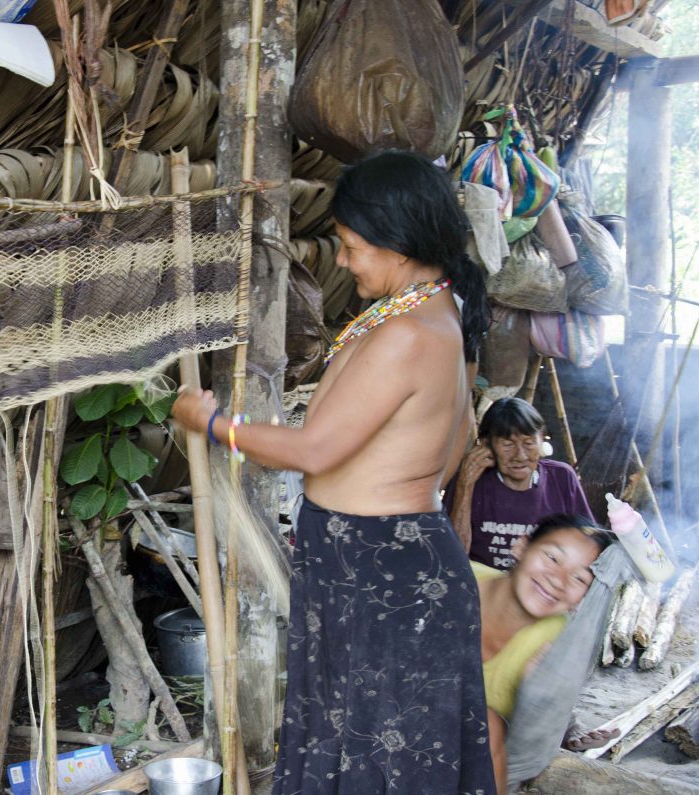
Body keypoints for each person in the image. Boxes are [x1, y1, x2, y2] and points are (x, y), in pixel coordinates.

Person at [173, 151, 496, 794]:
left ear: (398, 245)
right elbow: (451, 442)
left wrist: (210, 424)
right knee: (364, 749)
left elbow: (315, 452)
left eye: (350, 246)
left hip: (384, 570)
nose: (342, 261)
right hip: (373, 560)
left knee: (382, 757)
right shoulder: (430, 312)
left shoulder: (411, 333)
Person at [474, 514, 618, 792]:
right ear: (521, 547)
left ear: (583, 599)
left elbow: (524, 751)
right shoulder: (450, 583)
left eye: (579, 578)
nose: (558, 580)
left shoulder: (558, 646)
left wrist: (555, 716)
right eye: (552, 558)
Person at [446, 397, 593, 570]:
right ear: (486, 444)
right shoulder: (467, 480)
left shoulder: (561, 478)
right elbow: (452, 559)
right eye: (508, 444)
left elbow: (588, 545)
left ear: (541, 440)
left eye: (529, 443)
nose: (521, 456)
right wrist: (465, 485)